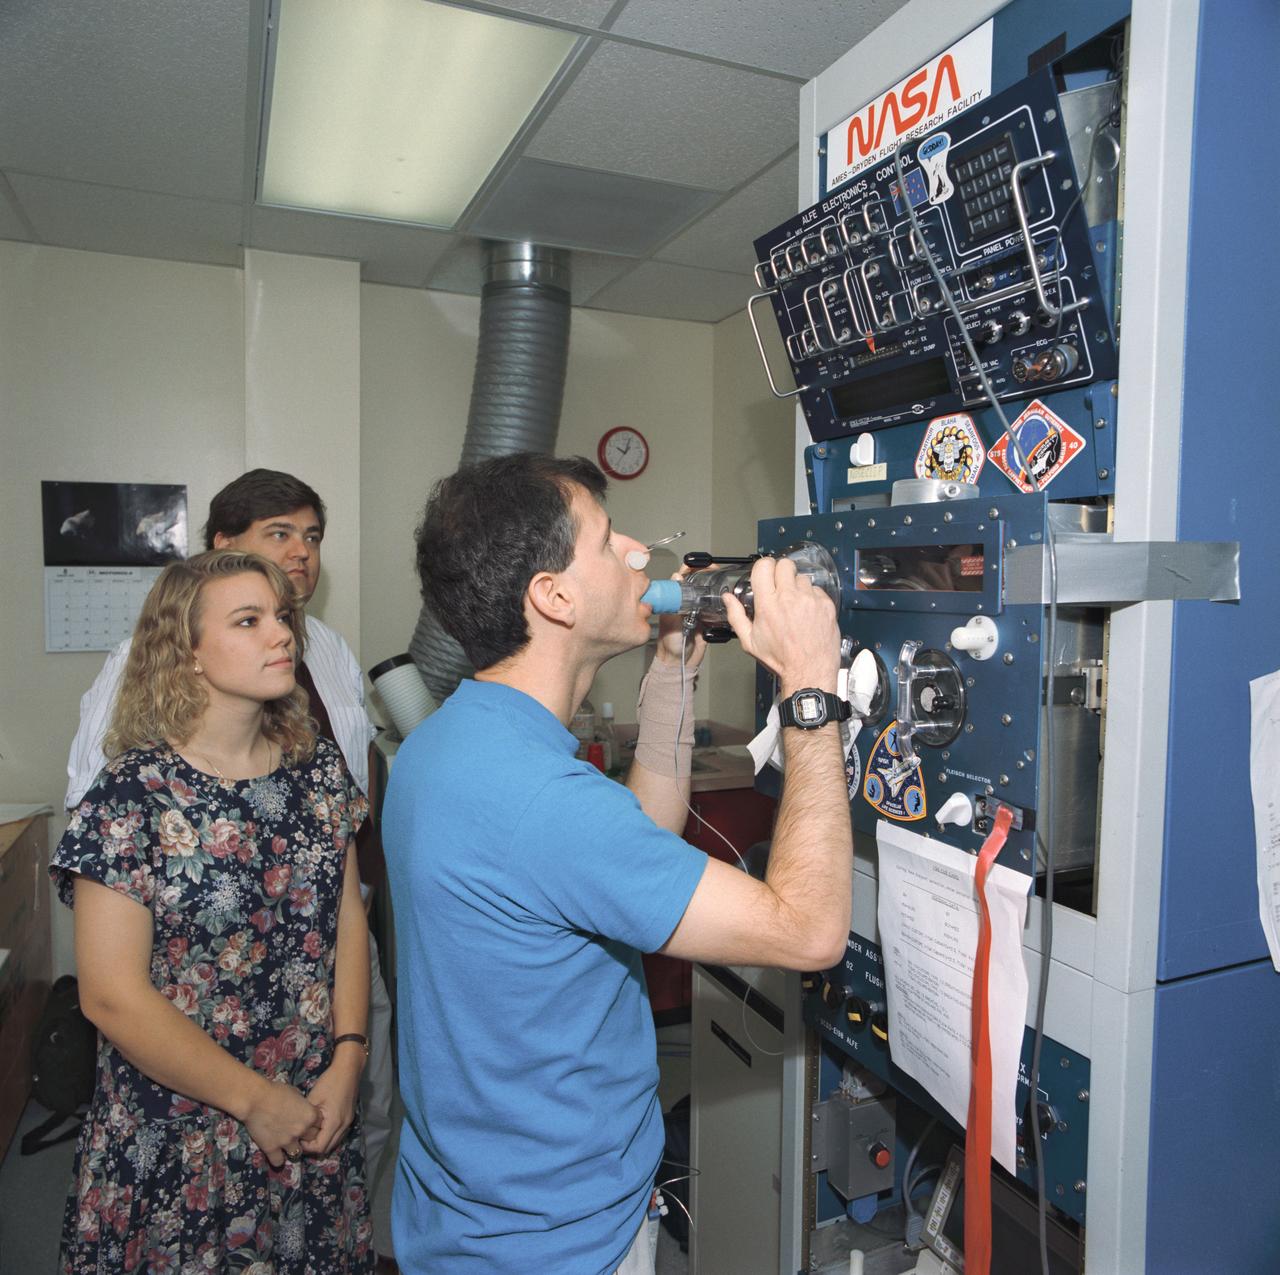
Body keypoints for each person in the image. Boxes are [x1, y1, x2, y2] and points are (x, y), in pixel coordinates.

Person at [382, 453, 852, 1275]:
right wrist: (811, 694)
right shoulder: (546, 802)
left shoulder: (449, 742)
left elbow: (634, 831)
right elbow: (810, 932)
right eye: (607, 541)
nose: (639, 550)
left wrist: (671, 670)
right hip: (556, 1241)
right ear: (553, 597)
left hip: (472, 1212)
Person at [63, 469, 396, 1254]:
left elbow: (347, 914)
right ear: (189, 652)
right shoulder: (131, 793)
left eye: (280, 617)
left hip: (313, 1101)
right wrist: (253, 1098)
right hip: (182, 1119)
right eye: (249, 621)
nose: (283, 632)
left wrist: (349, 1056)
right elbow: (111, 997)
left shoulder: (315, 770)